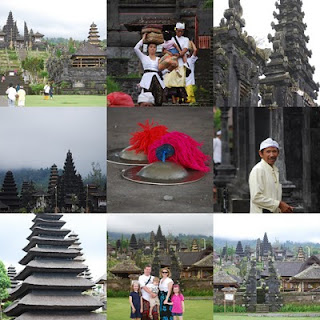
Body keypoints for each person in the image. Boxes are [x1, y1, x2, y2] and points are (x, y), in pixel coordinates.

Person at [249, 138, 294, 213]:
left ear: (278, 153)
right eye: (268, 152)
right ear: (261, 154)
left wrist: (283, 207)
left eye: (274, 151)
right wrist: (279, 205)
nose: (272, 155)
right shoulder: (258, 170)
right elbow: (256, 197)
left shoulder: (274, 170)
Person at [134, 33, 165, 106]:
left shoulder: (159, 59)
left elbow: (162, 70)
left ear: (156, 49)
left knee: (158, 93)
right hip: (147, 77)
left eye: (154, 47)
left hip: (156, 76)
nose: (152, 49)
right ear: (148, 48)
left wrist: (170, 69)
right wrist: (143, 39)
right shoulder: (144, 57)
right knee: (147, 94)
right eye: (151, 47)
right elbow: (136, 48)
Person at [164, 22, 190, 104]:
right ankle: (172, 98)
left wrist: (178, 55)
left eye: (181, 31)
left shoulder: (186, 39)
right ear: (176, 30)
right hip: (172, 63)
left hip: (181, 63)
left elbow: (185, 50)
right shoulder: (171, 39)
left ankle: (182, 98)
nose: (180, 33)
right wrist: (170, 54)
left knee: (180, 81)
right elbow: (164, 49)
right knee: (171, 81)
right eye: (178, 31)